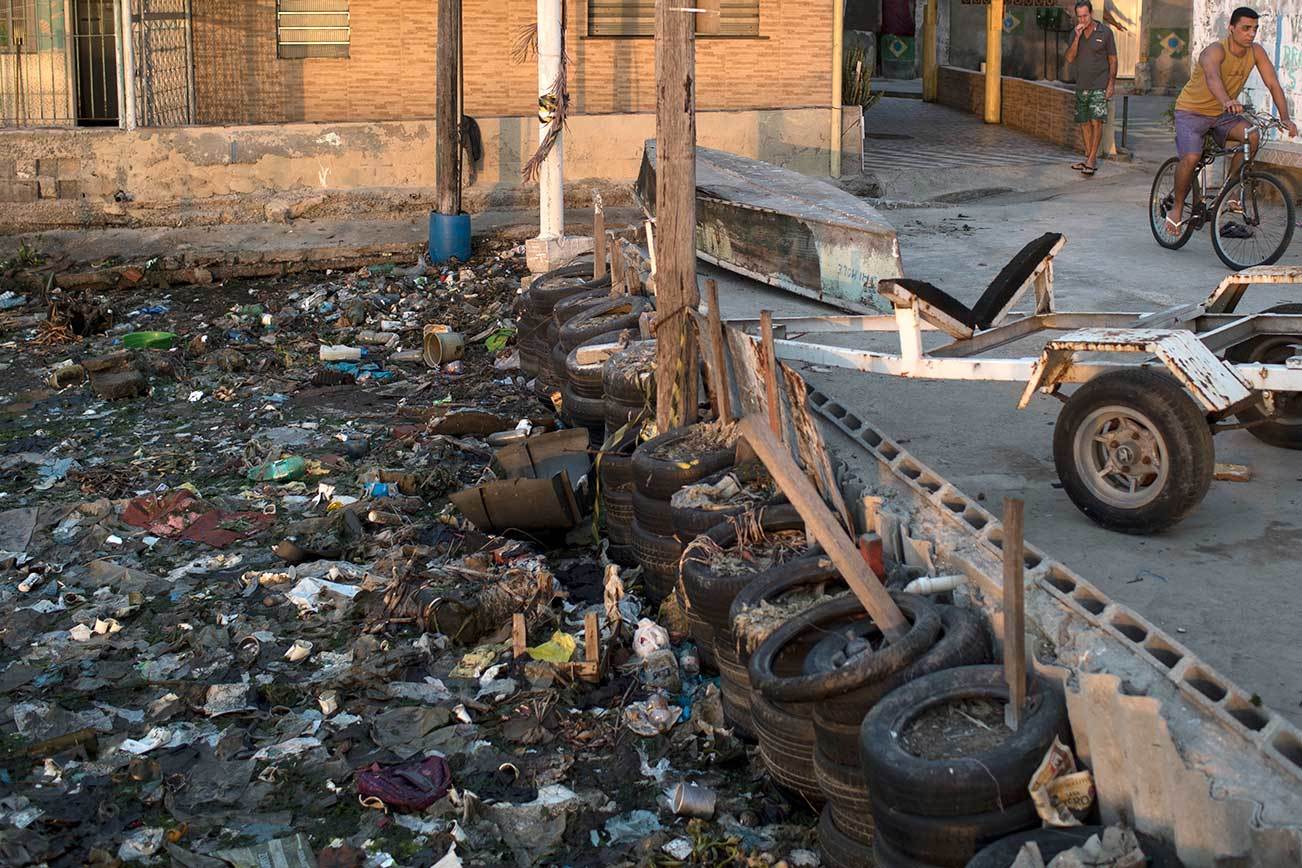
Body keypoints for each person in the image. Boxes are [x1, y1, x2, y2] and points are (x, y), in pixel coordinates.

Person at [1165, 7, 1297, 233]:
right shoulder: (1214, 51)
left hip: (1221, 115)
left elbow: (1273, 83)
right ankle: (1176, 208)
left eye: (1255, 29)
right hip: (1191, 112)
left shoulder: (1256, 52)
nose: (1251, 34)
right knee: (1192, 157)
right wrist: (1227, 100)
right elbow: (1213, 77)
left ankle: (1231, 190)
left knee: (1251, 135)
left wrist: (1285, 118)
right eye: (1246, 28)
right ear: (1232, 28)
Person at [1064, 0, 1117, 177]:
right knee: (1084, 122)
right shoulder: (1074, 33)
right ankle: (1088, 157)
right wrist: (1078, 37)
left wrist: (1111, 84)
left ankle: (1092, 159)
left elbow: (1113, 60)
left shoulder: (1106, 33)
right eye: (1079, 16)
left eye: (1085, 15)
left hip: (1099, 84)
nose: (1082, 19)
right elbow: (1070, 58)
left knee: (1096, 121)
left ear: (1091, 14)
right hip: (1082, 85)